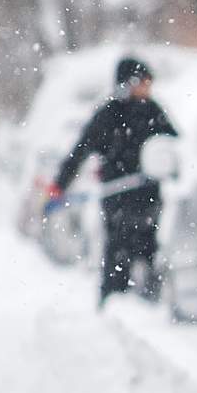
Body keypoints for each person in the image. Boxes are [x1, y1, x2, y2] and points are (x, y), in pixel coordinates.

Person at [48, 57, 177, 308]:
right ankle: (112, 302)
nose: (147, 89)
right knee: (118, 253)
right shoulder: (108, 115)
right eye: (142, 83)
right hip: (117, 201)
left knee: (149, 249)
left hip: (149, 196)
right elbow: (81, 150)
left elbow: (173, 144)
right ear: (127, 84)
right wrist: (60, 184)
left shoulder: (153, 111)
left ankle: (150, 303)